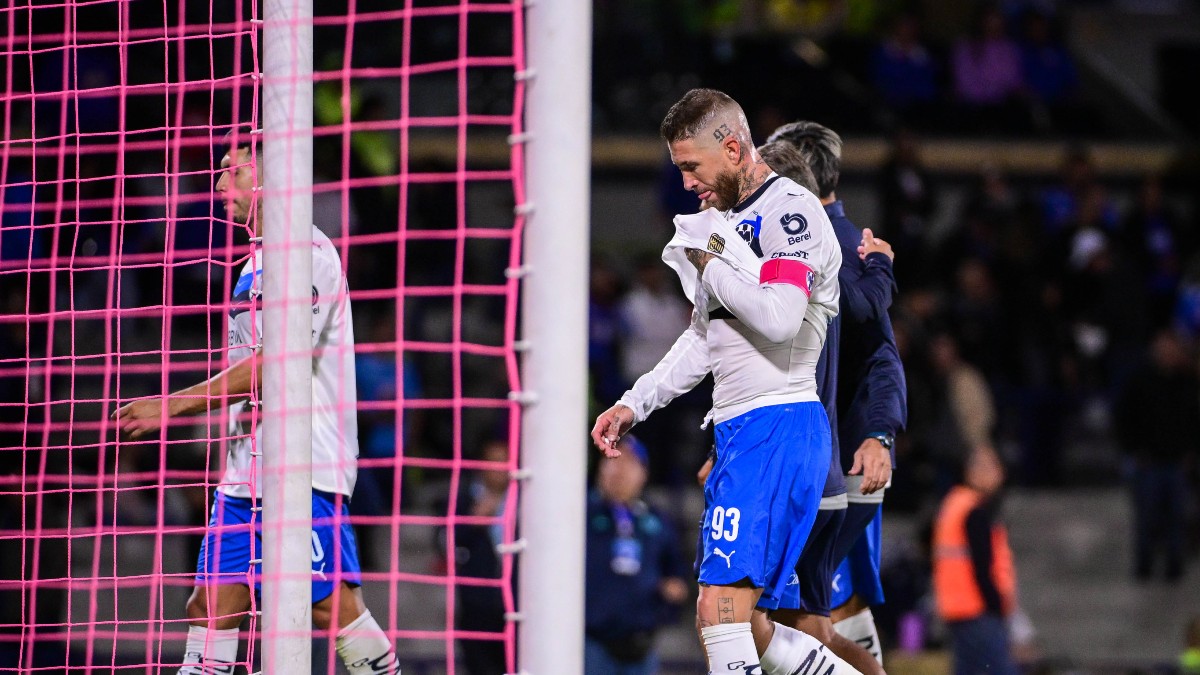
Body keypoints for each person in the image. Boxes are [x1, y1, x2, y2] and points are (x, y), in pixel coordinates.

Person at [112, 130, 401, 675]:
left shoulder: (311, 255)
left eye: (233, 170)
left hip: (304, 468)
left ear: (272, 180)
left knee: (329, 607)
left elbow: (278, 366)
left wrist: (171, 407)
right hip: (247, 472)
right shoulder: (253, 266)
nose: (220, 182)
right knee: (210, 607)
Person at [591, 88, 857, 675]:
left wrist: (712, 264)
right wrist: (635, 403)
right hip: (746, 432)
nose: (686, 183)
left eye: (692, 166)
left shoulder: (790, 212)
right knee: (753, 625)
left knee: (720, 610)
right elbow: (705, 337)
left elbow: (780, 316)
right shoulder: (720, 222)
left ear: (734, 149)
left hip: (778, 421)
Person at [766, 121, 907, 666]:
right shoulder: (835, 242)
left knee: (787, 618)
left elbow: (882, 353)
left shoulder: (833, 245)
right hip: (835, 455)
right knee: (823, 615)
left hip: (836, 459)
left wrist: (878, 434)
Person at [585, 435, 689, 675]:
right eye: (612, 460)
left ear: (644, 473)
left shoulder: (656, 521)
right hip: (592, 642)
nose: (618, 470)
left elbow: (676, 573)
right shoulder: (582, 514)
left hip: (641, 645)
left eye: (628, 462)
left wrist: (672, 589)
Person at [1114, 329, 1199, 582]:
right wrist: (1133, 450)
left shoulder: (1187, 382)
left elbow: (1194, 421)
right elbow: (1124, 418)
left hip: (1177, 462)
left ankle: (1174, 566)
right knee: (1146, 517)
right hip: (1148, 462)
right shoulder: (1139, 380)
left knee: (1177, 517)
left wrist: (1191, 452)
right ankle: (1144, 566)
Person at [932, 448, 1018, 675]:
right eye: (993, 468)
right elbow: (982, 565)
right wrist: (996, 604)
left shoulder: (953, 504)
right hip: (978, 608)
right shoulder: (974, 511)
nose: (1000, 475)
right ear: (974, 472)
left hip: (956, 607)